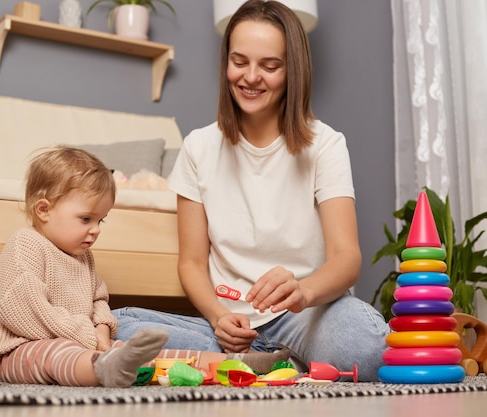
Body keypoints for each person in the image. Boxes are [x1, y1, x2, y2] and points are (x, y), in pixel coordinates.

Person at [112, 0, 390, 382]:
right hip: (231, 322)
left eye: (270, 66)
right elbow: (192, 262)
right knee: (116, 326)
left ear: (292, 70)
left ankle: (260, 362)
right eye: (239, 62)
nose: (251, 77)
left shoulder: (325, 144)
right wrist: (218, 316)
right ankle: (277, 363)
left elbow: (347, 259)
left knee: (368, 350)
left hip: (306, 314)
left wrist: (303, 291)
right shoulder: (199, 147)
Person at [0, 145, 291, 388]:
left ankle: (230, 362)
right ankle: (101, 369)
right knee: (53, 354)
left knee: (135, 351)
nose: (95, 229)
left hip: (78, 340)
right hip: (18, 349)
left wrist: (101, 331)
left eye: (100, 220)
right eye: (86, 219)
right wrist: (88, 336)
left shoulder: (83, 257)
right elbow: (26, 312)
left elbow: (97, 302)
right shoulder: (26, 244)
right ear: (44, 209)